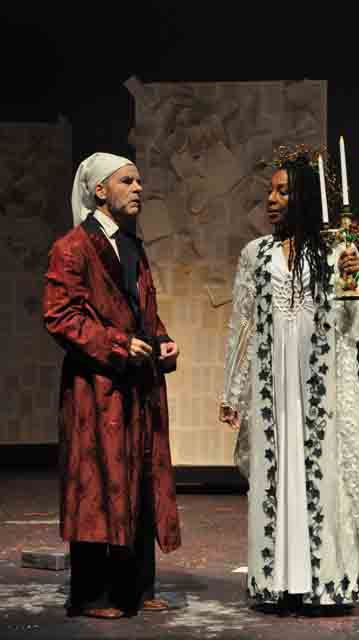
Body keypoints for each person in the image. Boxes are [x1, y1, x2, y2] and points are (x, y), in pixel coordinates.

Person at [219, 150, 359, 616]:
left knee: (323, 474)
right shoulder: (256, 255)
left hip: (319, 385)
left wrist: (351, 281)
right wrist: (232, 391)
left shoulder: (335, 253)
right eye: (270, 191)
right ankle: (277, 581)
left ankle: (325, 583)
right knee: (276, 471)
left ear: (304, 197)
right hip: (274, 386)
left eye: (283, 192)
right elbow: (243, 326)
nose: (271, 199)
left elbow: (355, 323)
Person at [43, 152, 181, 619]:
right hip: (97, 386)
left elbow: (143, 312)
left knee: (138, 478)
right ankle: (90, 594)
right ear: (100, 190)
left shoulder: (131, 245)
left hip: (136, 385)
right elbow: (61, 316)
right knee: (97, 483)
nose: (138, 188)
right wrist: (119, 344)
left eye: (139, 180)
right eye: (128, 181)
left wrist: (160, 341)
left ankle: (136, 587)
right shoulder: (72, 247)